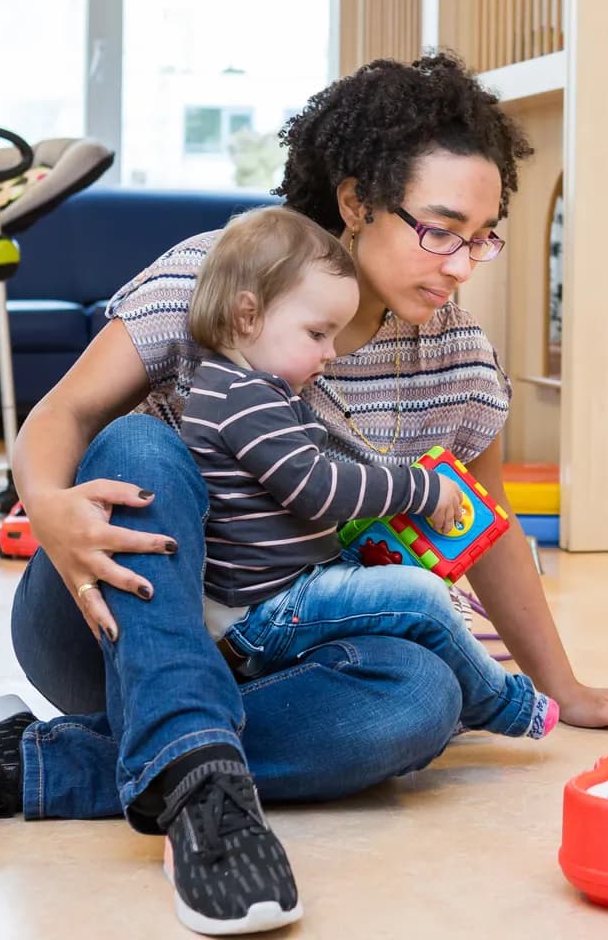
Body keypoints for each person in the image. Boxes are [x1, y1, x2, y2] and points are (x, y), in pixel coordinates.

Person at [0, 52, 608, 935]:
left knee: (427, 695)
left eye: (485, 235)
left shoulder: (455, 354)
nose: (464, 263)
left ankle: (56, 763)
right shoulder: (221, 274)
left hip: (278, 650)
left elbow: (483, 530)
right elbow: (63, 414)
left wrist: (561, 685)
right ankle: (205, 796)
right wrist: (48, 507)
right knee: (142, 442)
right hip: (110, 619)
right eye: (441, 229)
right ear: (355, 202)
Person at [184, 204, 558, 738]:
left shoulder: (247, 391)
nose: (331, 352)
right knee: (421, 597)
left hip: (284, 597)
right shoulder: (243, 399)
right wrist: (420, 488)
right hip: (267, 611)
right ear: (247, 316)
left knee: (409, 601)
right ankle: (505, 705)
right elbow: (318, 489)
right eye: (317, 334)